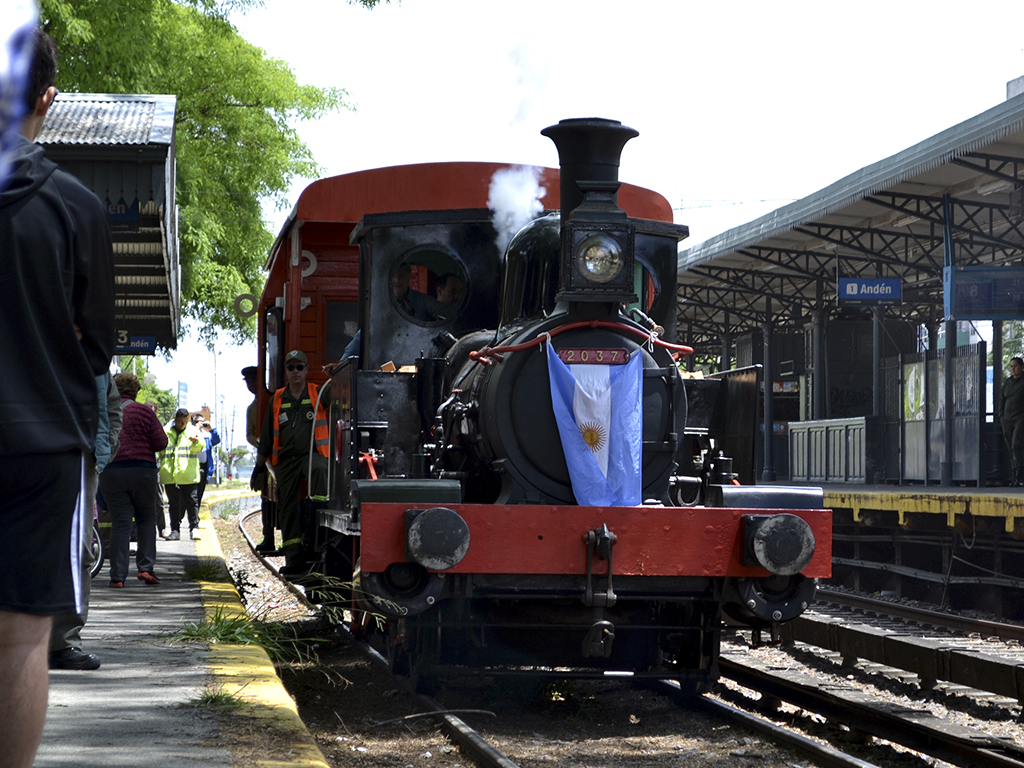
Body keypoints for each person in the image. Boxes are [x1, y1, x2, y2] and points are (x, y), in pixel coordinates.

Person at [0, 29, 115, 768]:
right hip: (39, 447)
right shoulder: (77, 207)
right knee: (20, 641)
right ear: (47, 99)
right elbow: (97, 345)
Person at [49, 373, 122, 669]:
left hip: (80, 458)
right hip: (23, 453)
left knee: (77, 551)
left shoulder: (96, 359)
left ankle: (61, 643)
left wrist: (106, 445)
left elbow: (112, 407)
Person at [252, 350, 329, 575]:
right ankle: (293, 560)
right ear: (285, 372)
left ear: (306, 370)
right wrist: (258, 468)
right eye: (291, 367)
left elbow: (341, 390)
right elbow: (266, 438)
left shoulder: (317, 392)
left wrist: (337, 374)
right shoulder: (277, 398)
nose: (295, 371)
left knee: (320, 468)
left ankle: (317, 516)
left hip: (311, 455)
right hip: (286, 462)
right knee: (287, 508)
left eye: (300, 367)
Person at [99, 373, 167, 587]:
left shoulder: (107, 411)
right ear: (136, 391)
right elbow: (161, 442)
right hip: (142, 471)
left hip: (111, 471)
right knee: (147, 518)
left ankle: (117, 577)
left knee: (121, 521)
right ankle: (146, 568)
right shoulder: (144, 411)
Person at [243, 365, 278, 553]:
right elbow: (249, 434)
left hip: (278, 457)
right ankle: (268, 538)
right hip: (264, 460)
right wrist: (260, 444)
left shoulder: (274, 401)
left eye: (254, 380)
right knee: (266, 498)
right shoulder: (252, 408)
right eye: (248, 382)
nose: (251, 385)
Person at [160, 407, 204, 540]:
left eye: (184, 422)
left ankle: (194, 528)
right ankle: (175, 530)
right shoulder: (166, 431)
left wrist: (195, 442)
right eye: (180, 421)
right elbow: (160, 449)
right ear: (175, 419)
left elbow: (199, 448)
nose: (182, 424)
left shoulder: (193, 431)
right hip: (170, 474)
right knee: (174, 504)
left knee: (192, 502)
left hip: (188, 474)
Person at [1002, 357, 1024, 486]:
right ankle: (1015, 474)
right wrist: (1001, 415)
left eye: (1015, 366)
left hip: (1020, 417)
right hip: (1007, 418)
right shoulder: (1008, 382)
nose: (1013, 369)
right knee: (1011, 446)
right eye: (1011, 366)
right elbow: (1002, 399)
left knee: (1017, 444)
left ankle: (1020, 474)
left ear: (1021, 366)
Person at [191, 412, 220, 507]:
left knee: (198, 495)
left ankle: (195, 517)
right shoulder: (189, 434)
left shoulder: (207, 436)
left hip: (203, 468)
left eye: (202, 422)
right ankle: (191, 517)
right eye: (198, 421)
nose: (201, 423)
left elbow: (217, 440)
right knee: (191, 495)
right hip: (191, 467)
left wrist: (211, 429)